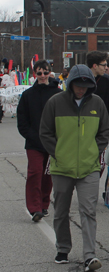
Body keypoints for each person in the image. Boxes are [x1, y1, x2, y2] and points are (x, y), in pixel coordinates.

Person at [39, 64, 109, 272]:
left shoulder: (97, 103)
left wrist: (94, 150)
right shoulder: (55, 103)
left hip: (89, 167)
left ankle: (90, 255)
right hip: (62, 167)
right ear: (70, 84)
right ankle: (63, 249)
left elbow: (105, 130)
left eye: (85, 86)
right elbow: (45, 132)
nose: (81, 89)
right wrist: (58, 153)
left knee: (88, 210)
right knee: (61, 210)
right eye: (78, 85)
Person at [17, 60, 61, 222]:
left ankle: (44, 204)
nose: (42, 76)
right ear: (35, 74)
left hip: (53, 143)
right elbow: (22, 119)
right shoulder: (28, 95)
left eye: (45, 72)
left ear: (50, 73)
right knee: (35, 173)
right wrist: (30, 134)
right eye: (39, 73)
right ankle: (34, 208)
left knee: (47, 175)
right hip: (34, 142)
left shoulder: (58, 93)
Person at [86, 51, 109, 118]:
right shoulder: (83, 79)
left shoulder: (106, 79)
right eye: (104, 65)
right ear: (95, 66)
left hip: (102, 117)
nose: (106, 68)